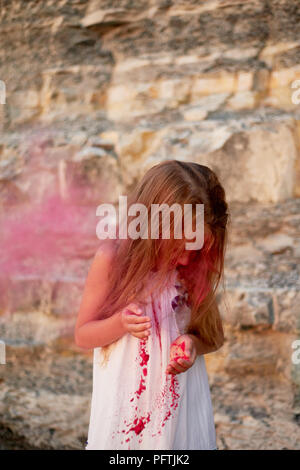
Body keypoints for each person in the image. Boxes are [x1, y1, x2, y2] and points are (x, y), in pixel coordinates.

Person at [75, 160, 229, 450]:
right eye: (178, 247)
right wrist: (120, 323)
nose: (185, 259)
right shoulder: (113, 260)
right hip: (126, 415)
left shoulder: (193, 269)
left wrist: (193, 344)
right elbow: (82, 334)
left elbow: (215, 336)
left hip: (181, 412)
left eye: (195, 248)